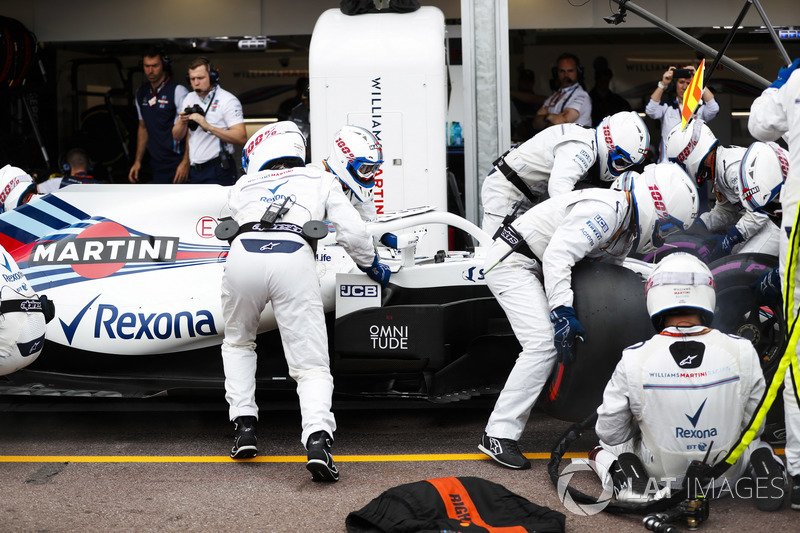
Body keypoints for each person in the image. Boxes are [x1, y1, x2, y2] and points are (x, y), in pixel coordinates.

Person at [478, 163, 699, 469]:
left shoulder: (625, 226)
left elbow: (606, 274)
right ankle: (498, 435)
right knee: (542, 342)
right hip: (514, 262)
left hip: (536, 264)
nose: (665, 234)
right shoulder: (607, 210)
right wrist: (563, 312)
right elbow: (558, 256)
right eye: (667, 225)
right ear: (655, 205)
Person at [221, 121, 391, 482]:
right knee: (311, 365)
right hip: (293, 257)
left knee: (238, 342)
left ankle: (244, 428)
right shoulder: (321, 180)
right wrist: (371, 265)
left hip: (243, 256)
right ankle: (317, 442)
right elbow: (354, 232)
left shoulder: (242, 184)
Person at [592, 252, 786, 511]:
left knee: (605, 446)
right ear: (707, 293)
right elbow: (755, 423)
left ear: (653, 296)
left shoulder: (635, 357)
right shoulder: (742, 350)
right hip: (724, 478)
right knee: (755, 440)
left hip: (661, 480)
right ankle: (764, 466)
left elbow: (610, 430)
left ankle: (629, 478)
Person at [747, 57, 800, 511]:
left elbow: (760, 125)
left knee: (797, 353)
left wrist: (778, 86)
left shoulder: (797, 82)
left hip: (799, 223)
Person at [480, 110, 649, 237]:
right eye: (621, 163)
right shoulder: (583, 148)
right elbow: (559, 193)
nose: (620, 168)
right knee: (493, 257)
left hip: (519, 191)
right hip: (507, 191)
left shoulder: (587, 139)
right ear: (611, 147)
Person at [665, 119, 781, 261]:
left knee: (740, 267)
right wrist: (700, 225)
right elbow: (726, 211)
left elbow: (760, 211)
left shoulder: (732, 168)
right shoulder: (719, 166)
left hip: (776, 223)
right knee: (725, 260)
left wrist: (731, 238)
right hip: (761, 224)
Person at [172, 57, 247, 185]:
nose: (196, 83)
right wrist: (181, 122)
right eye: (192, 79)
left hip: (219, 168)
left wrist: (208, 127)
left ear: (212, 77)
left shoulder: (227, 100)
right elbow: (177, 136)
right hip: (195, 170)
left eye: (200, 78)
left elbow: (241, 137)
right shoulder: (189, 98)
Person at [128, 47, 190, 184]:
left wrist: (186, 161)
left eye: (155, 66)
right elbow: (143, 127)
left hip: (177, 161)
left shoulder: (178, 91)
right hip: (156, 163)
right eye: (146, 66)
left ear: (164, 65)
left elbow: (190, 129)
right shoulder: (141, 93)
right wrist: (137, 161)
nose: (150, 70)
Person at [646, 65, 719, 161]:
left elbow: (714, 108)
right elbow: (650, 110)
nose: (684, 87)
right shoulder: (667, 106)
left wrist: (699, 81)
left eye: (688, 83)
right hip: (667, 164)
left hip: (691, 164)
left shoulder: (699, 107)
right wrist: (663, 84)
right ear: (675, 85)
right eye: (681, 82)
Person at [317, 125, 384, 221]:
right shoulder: (312, 179)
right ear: (343, 160)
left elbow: (369, 222)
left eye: (374, 168)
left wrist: (382, 235)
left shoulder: (355, 189)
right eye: (365, 168)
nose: (369, 175)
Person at [532, 53, 592, 131]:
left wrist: (545, 118)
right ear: (556, 73)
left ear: (578, 72)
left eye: (570, 71)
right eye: (562, 71)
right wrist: (549, 117)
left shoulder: (582, 96)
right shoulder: (554, 96)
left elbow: (561, 123)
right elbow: (535, 124)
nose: (566, 75)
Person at [589, 63, 631, 128]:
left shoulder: (617, 101)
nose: (604, 84)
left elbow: (626, 113)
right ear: (597, 81)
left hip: (613, 132)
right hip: (594, 131)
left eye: (606, 81)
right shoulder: (588, 99)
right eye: (601, 81)